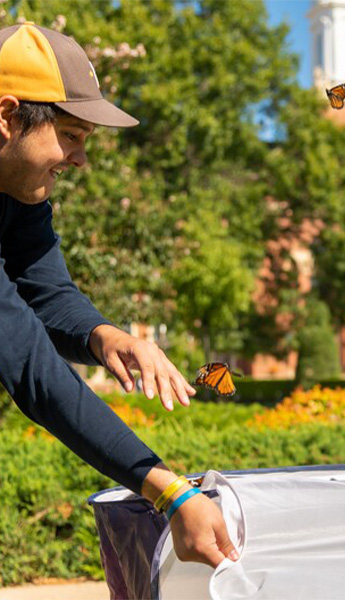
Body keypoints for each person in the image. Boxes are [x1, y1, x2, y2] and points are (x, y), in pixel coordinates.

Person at [0, 22, 237, 567]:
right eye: (72, 134)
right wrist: (170, 491)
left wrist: (104, 336)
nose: (82, 159)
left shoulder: (18, 187)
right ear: (9, 116)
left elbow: (45, 287)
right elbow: (30, 367)